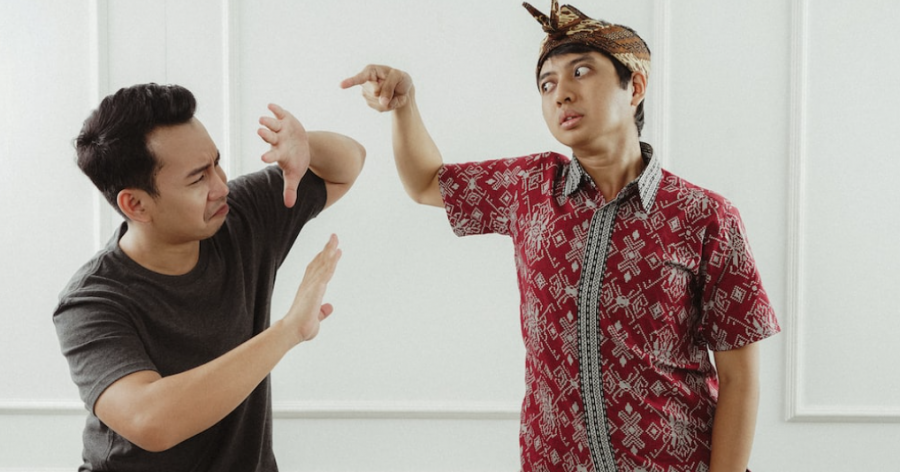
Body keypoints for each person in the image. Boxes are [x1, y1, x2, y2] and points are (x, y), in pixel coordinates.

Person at [341, 1, 779, 471]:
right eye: (547, 84)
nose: (561, 94)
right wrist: (404, 106)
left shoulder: (704, 216)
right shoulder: (530, 188)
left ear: (635, 86)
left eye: (581, 72)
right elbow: (426, 182)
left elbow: (740, 378)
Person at [53, 83, 365, 471]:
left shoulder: (241, 216)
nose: (221, 186)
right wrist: (288, 331)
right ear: (136, 204)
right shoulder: (91, 302)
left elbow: (347, 166)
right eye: (198, 178)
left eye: (216, 163)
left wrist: (308, 146)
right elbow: (151, 421)